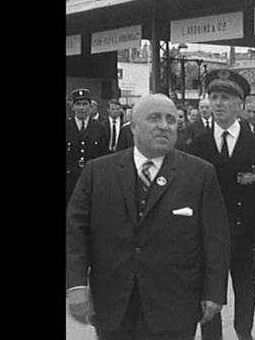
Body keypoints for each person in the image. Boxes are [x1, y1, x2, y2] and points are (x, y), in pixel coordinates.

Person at [66, 93, 231, 340]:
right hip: (114, 303)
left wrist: (214, 292)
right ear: (133, 126)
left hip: (175, 306)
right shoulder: (98, 172)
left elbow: (215, 237)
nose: (164, 126)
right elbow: (75, 230)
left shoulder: (200, 174)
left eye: (171, 120)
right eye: (154, 118)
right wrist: (76, 285)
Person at [187, 69, 255, 340]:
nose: (218, 103)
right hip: (207, 237)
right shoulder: (196, 145)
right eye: (213, 97)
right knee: (208, 297)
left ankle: (243, 333)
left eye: (225, 97)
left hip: (245, 237)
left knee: (246, 290)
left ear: (240, 104)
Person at [66, 88, 108, 207]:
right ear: (72, 107)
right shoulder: (67, 127)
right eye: (78, 104)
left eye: (85, 104)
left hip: (92, 181)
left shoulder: (99, 128)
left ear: (90, 106)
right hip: (69, 182)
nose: (81, 108)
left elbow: (104, 156)